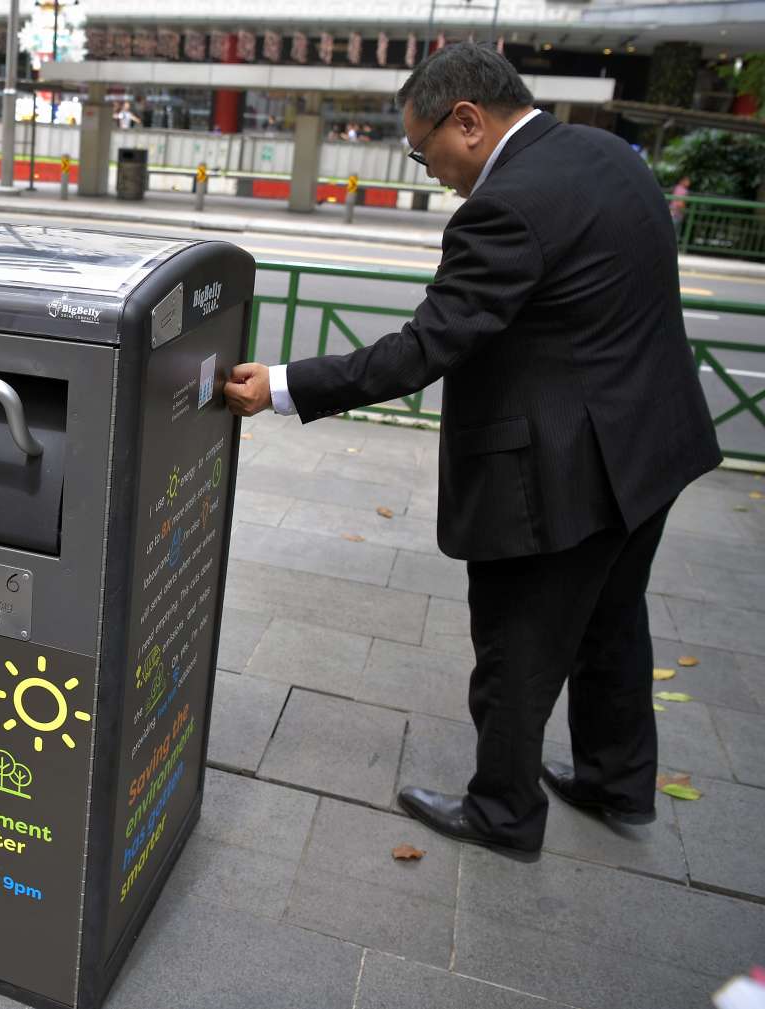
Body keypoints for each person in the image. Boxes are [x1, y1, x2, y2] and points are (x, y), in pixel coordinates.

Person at [223, 43, 720, 858]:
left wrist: (282, 384)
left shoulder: (505, 206)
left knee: (516, 643)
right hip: (655, 444)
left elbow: (427, 346)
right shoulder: (609, 155)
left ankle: (503, 811)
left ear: (469, 121)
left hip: (567, 468)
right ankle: (616, 778)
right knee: (612, 621)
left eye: (426, 152)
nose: (433, 171)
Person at [670, 175, 691, 241]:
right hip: (677, 213)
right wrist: (684, 211)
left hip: (672, 211)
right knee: (675, 231)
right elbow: (681, 203)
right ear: (682, 181)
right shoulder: (684, 191)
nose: (689, 183)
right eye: (687, 181)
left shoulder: (677, 188)